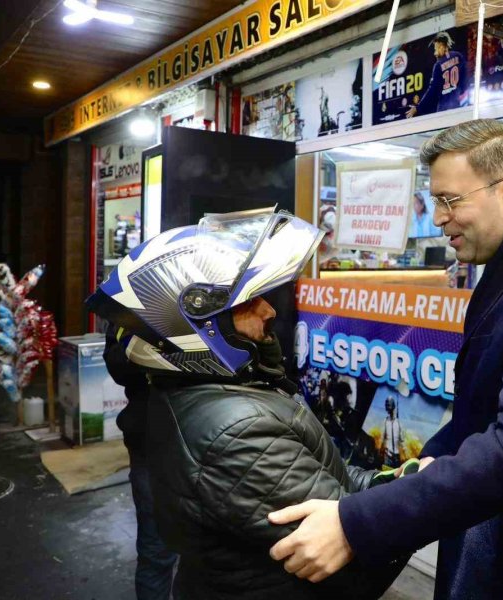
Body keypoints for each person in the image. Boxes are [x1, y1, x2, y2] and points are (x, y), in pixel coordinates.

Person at [267, 120, 503, 598]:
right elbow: (479, 415)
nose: (439, 218)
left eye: (450, 200)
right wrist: (412, 472)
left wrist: (355, 525)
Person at [86, 208, 408, 599]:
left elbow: (330, 475)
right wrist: (429, 499)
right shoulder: (235, 427)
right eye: (250, 301)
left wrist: (401, 481)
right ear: (199, 324)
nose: (270, 311)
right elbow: (350, 558)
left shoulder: (228, 392)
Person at [104, 325, 178, 599]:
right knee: (156, 550)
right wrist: (148, 341)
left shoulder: (219, 291)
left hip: (213, 436)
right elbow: (116, 365)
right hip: (152, 440)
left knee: (214, 553)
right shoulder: (131, 299)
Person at [405, 31, 468, 119]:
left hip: (444, 109)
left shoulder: (438, 65)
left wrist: (418, 108)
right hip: (459, 105)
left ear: (443, 46)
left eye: (436, 48)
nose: (435, 52)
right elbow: (465, 79)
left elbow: (432, 90)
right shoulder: (458, 56)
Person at [380, 396, 403, 468]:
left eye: (390, 405)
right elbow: (382, 438)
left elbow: (402, 440)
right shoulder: (385, 421)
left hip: (397, 455)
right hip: (388, 454)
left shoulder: (398, 422)